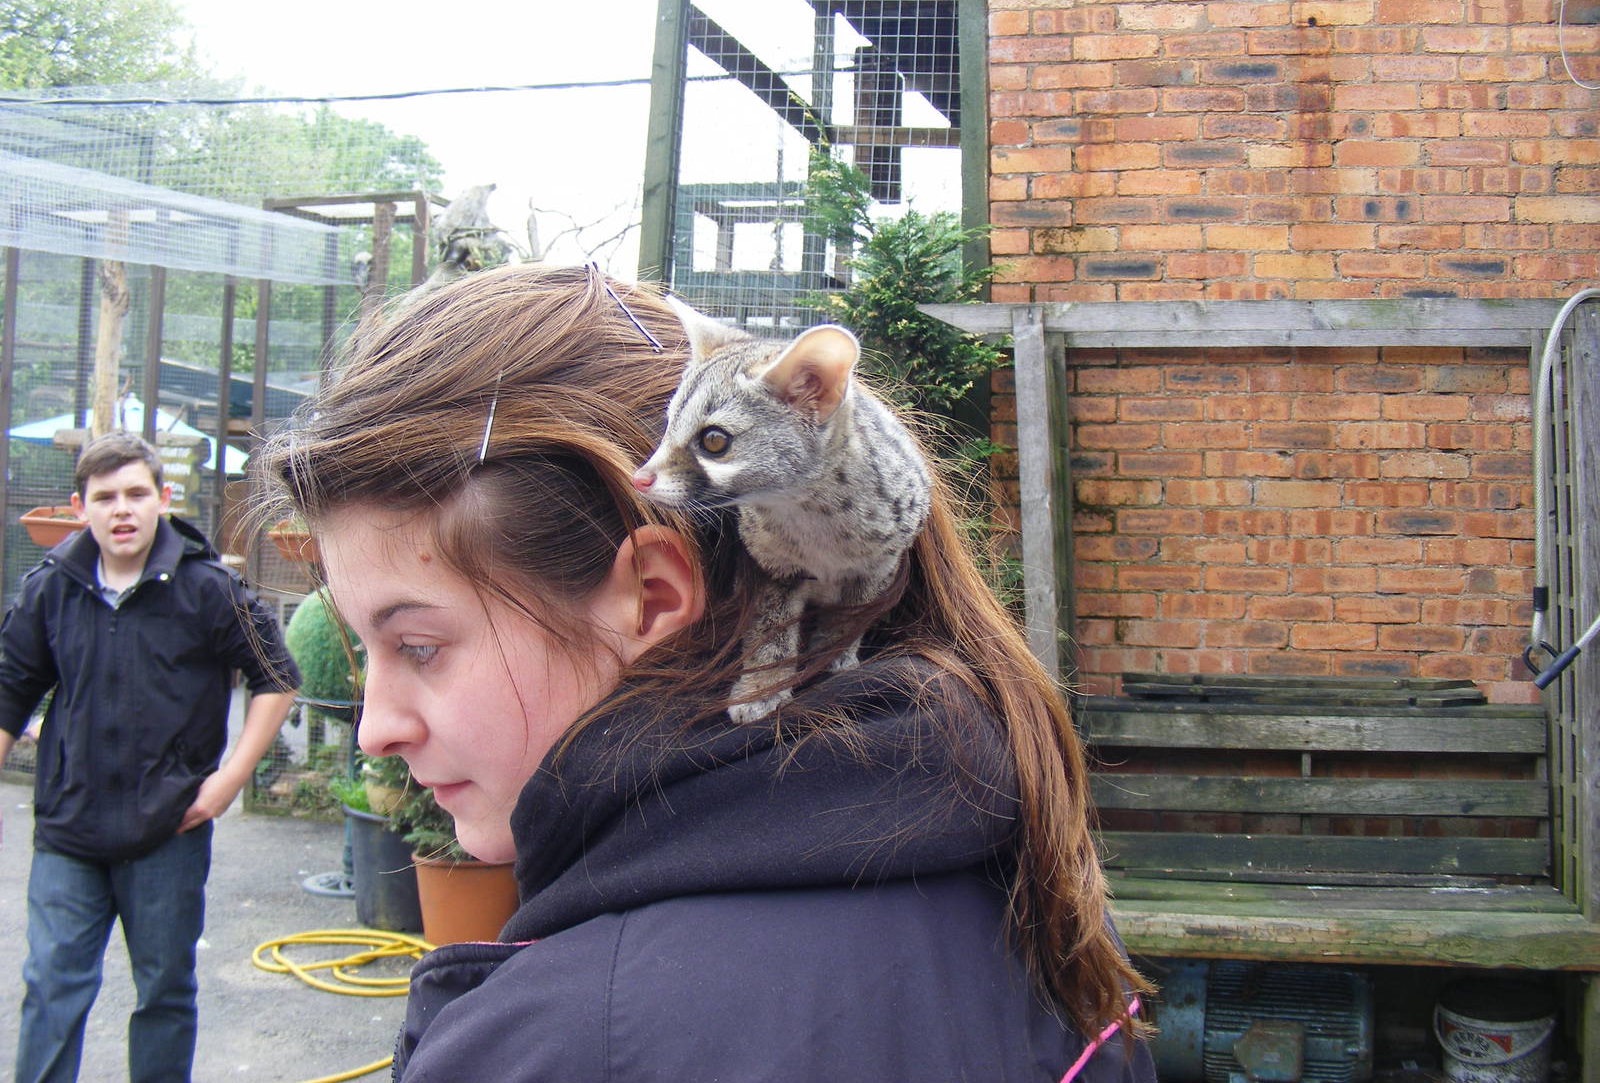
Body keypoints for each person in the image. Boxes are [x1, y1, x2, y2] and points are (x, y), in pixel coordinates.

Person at [256, 264, 1156, 1082]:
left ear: (650, 597)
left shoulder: (556, 1047)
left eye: (418, 647)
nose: (375, 726)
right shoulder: (1047, 897)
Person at [0, 431, 300, 1083]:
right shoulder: (50, 590)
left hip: (169, 828)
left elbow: (277, 676)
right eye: (104, 497)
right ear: (80, 507)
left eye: (136, 493)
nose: (122, 509)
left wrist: (228, 782)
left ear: (163, 498)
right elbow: (9, 692)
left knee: (165, 993)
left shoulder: (207, 588)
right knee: (52, 987)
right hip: (69, 830)